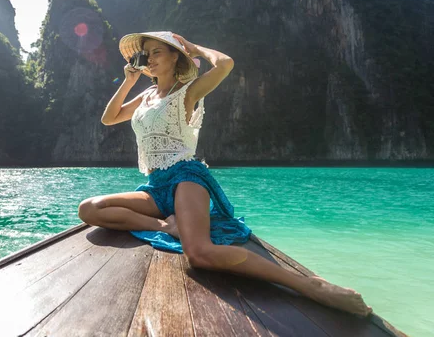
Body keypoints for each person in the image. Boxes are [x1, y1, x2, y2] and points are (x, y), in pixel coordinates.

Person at [78, 31, 372, 317]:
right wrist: (129, 82)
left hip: (186, 178)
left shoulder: (187, 92)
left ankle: (309, 286)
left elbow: (225, 64)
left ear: (174, 57)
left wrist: (195, 48)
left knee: (199, 254)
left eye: (158, 52)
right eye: (147, 53)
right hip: (156, 187)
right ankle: (166, 225)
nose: (151, 59)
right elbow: (110, 117)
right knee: (90, 209)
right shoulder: (147, 97)